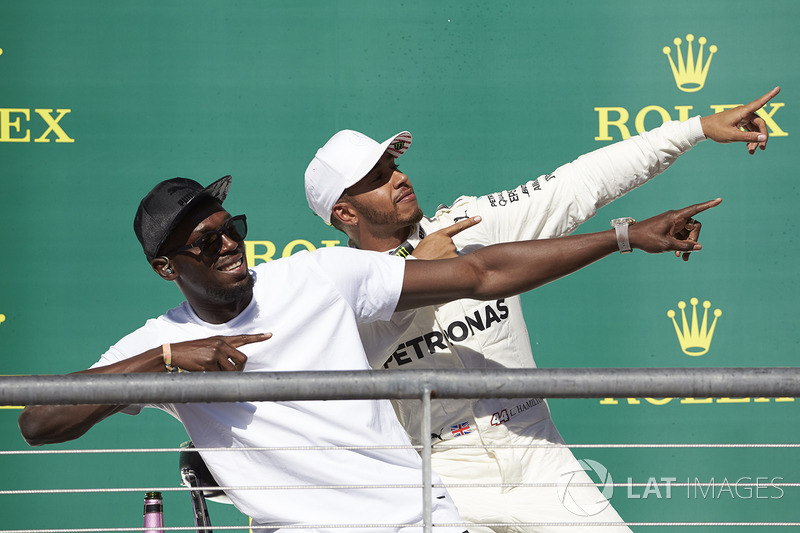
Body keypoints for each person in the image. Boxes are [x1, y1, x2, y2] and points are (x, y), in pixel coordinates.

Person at [19, 176, 716, 532]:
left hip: (419, 519)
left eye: (231, 227)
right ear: (169, 268)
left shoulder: (318, 274)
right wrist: (168, 362)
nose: (228, 243)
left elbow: (481, 273)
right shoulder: (156, 342)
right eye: (205, 242)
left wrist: (624, 234)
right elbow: (38, 422)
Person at [302, 87, 779, 533]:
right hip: (440, 470)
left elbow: (583, 182)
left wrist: (696, 128)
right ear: (345, 213)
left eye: (393, 165)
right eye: (378, 178)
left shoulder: (471, 224)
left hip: (536, 446)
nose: (399, 177)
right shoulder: (332, 284)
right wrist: (413, 275)